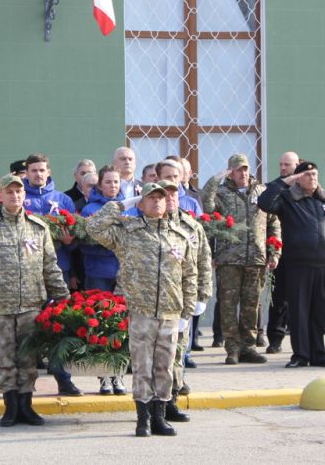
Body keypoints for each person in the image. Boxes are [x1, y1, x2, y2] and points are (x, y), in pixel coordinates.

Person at [87, 182, 198, 437]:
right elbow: (93, 226)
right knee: (142, 366)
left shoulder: (179, 235)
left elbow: (189, 276)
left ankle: (160, 417)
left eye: (161, 198)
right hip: (141, 310)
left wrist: (187, 313)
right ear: (141, 202)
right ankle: (143, 419)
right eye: (150, 198)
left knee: (164, 367)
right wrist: (123, 203)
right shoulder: (128, 232)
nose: (157, 202)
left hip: (171, 311)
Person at [0, 174, 69, 427]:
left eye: (19, 192)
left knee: (28, 357)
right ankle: (10, 405)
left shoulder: (38, 227)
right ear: (0, 196)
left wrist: (63, 297)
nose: (14, 196)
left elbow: (50, 266)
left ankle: (26, 404)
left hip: (31, 304)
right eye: (9, 192)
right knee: (5, 357)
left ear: (24, 195)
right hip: (0, 305)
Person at [258, 161, 325, 368]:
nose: (312, 178)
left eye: (315, 174)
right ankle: (300, 355)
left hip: (324, 265)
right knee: (299, 312)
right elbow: (264, 202)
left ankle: (318, 354)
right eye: (307, 175)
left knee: (318, 312)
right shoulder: (288, 199)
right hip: (297, 265)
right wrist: (286, 181)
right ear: (298, 179)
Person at [202, 153, 281, 365]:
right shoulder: (221, 192)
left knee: (251, 305)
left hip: (256, 258)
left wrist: (274, 252)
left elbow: (274, 222)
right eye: (238, 170)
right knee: (228, 305)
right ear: (230, 172)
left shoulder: (261, 192)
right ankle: (232, 349)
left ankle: (248, 347)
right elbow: (207, 206)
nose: (243, 173)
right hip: (229, 259)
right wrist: (215, 178)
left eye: (245, 169)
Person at [22, 153, 80, 396]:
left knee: (58, 325)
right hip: (26, 274)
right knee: (28, 328)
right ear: (27, 173)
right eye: (33, 170)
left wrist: (69, 241)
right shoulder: (20, 198)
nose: (38, 174)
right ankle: (25, 385)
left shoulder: (63, 200)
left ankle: (62, 378)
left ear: (49, 172)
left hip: (58, 271)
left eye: (41, 170)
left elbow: (75, 240)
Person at [160, 180, 211, 422]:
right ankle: (153, 401)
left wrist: (203, 295)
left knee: (177, 352)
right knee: (155, 356)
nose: (170, 199)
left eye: (173, 195)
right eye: (165, 195)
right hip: (153, 302)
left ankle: (172, 399)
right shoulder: (147, 224)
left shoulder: (191, 226)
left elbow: (204, 262)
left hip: (182, 301)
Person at [79, 166, 127, 396]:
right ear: (100, 185)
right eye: (108, 182)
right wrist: (111, 246)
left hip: (123, 275)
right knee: (99, 325)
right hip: (98, 273)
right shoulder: (90, 209)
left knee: (120, 326)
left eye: (116, 182)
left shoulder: (128, 207)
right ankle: (103, 377)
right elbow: (86, 243)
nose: (113, 186)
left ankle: (118, 373)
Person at [259, 151, 300, 353]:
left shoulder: (307, 188)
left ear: (297, 165)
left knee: (301, 298)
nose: (283, 168)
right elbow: (265, 208)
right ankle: (275, 339)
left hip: (302, 252)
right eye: (281, 164)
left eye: (287, 165)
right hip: (281, 251)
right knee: (279, 297)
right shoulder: (275, 187)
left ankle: (303, 340)